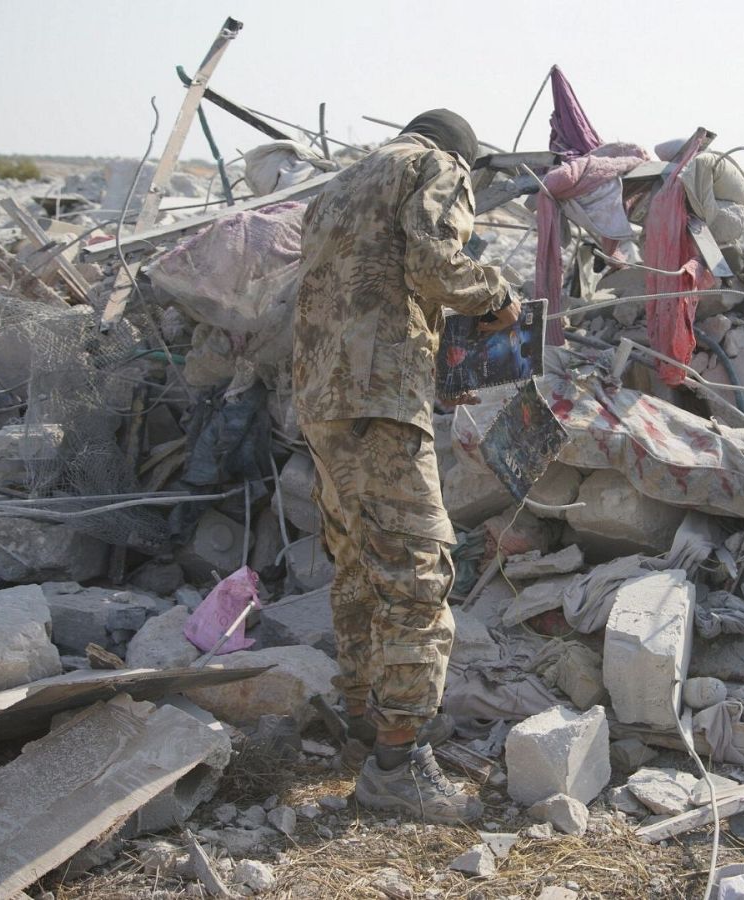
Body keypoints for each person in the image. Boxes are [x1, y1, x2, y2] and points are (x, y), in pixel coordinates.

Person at [293, 108, 520, 824]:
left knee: (359, 563)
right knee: (421, 576)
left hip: (322, 398)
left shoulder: (336, 188)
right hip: (382, 397)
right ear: (464, 157)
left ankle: (366, 717)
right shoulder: (436, 167)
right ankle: (399, 763)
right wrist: (499, 299)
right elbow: (434, 263)